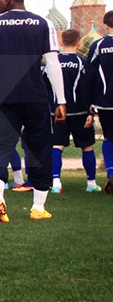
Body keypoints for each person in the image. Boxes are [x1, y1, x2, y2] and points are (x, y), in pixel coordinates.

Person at [0, 0, 65, 222]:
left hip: (4, 98)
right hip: (35, 97)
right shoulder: (43, 23)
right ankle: (38, 207)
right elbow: (53, 64)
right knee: (38, 150)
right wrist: (61, 100)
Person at [46, 28, 99, 193]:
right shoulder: (83, 64)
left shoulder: (52, 63)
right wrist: (91, 111)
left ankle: (56, 182)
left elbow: (46, 87)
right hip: (80, 111)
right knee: (87, 146)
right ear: (79, 43)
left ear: (61, 43)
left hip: (57, 112)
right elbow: (88, 87)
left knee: (56, 145)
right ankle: (91, 183)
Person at [83, 11, 113, 193]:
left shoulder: (99, 45)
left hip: (105, 101)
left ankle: (111, 171)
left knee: (109, 137)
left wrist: (90, 102)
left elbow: (90, 75)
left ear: (104, 25)